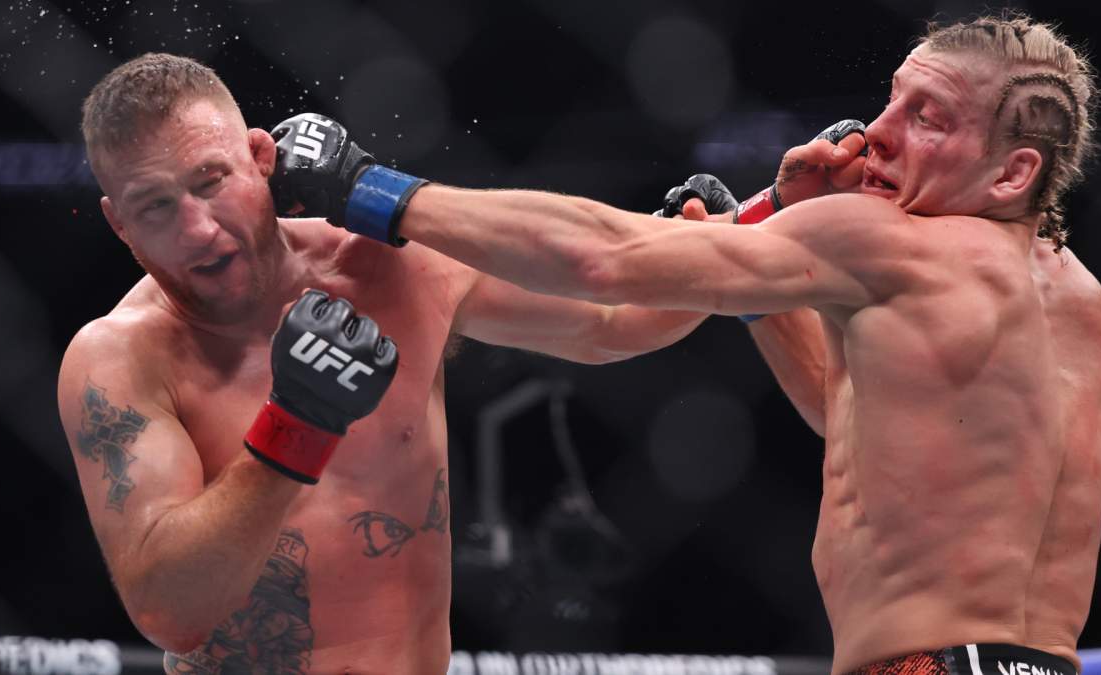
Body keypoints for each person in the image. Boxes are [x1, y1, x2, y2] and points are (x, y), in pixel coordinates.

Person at [272, 13, 1101, 675]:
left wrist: (367, 187)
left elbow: (608, 259)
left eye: (927, 118)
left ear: (1012, 173)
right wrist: (768, 264)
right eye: (893, 98)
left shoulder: (889, 241)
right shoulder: (1082, 302)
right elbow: (862, 429)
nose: (879, 131)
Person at [57, 53, 709, 674]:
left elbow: (613, 323)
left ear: (260, 157)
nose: (197, 229)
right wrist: (296, 425)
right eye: (155, 206)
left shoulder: (391, 266)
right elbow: (171, 612)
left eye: (211, 182)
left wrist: (711, 241)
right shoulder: (120, 358)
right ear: (120, 224)